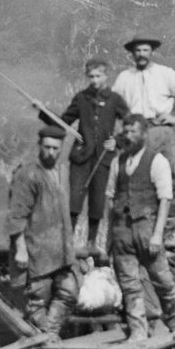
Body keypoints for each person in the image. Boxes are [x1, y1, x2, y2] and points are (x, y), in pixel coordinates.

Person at [105, 113, 175, 341]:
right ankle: (138, 331)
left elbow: (165, 199)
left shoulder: (157, 161)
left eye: (133, 132)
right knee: (129, 285)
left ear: (144, 135)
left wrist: (158, 235)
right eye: (125, 132)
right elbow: (110, 198)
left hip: (147, 231)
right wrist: (110, 235)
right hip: (122, 233)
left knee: (164, 282)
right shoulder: (117, 163)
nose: (128, 136)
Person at [112, 37, 175, 243]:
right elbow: (113, 106)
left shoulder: (165, 74)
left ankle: (167, 231)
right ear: (131, 54)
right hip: (134, 133)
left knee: (170, 178)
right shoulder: (124, 78)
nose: (141, 54)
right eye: (138, 51)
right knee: (134, 178)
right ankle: (135, 228)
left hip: (161, 131)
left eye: (145, 50)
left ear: (152, 52)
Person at [6, 125, 80, 335]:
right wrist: (20, 248)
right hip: (37, 250)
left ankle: (50, 334)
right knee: (37, 301)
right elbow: (17, 214)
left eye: (56, 148)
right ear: (39, 145)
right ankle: (47, 341)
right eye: (47, 147)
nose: (51, 152)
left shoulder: (63, 170)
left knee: (70, 291)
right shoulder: (28, 174)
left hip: (61, 249)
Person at [60, 59, 128, 253]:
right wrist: (43, 112)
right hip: (81, 157)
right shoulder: (81, 98)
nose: (95, 80)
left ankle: (91, 243)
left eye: (98, 76)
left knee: (97, 201)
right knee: (75, 199)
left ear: (106, 76)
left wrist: (118, 141)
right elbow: (64, 121)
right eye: (91, 77)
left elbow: (131, 123)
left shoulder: (115, 99)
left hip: (103, 158)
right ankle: (68, 243)